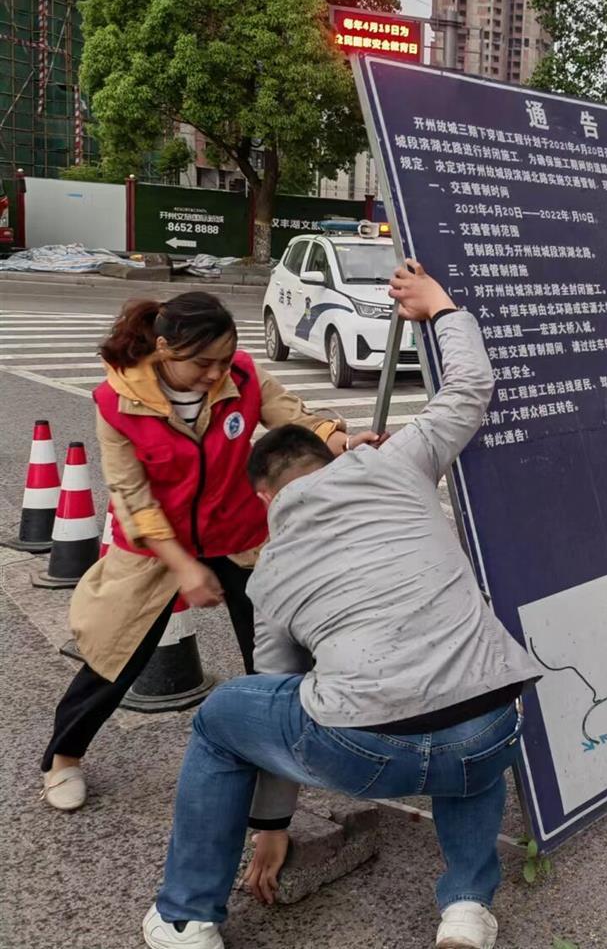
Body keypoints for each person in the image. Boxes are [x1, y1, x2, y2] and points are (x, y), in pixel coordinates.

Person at [141, 261, 541, 949]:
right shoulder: (399, 459)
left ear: (266, 498)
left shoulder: (269, 575)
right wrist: (440, 307)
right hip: (493, 726)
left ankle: (186, 916)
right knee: (469, 719)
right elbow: (472, 385)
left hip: (364, 749)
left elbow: (273, 695)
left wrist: (273, 827)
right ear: (329, 460)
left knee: (221, 716)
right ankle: (467, 908)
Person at [40, 292, 357, 812]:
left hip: (240, 535)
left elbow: (296, 421)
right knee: (116, 654)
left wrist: (340, 441)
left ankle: (294, 758)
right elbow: (132, 496)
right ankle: (63, 759)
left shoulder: (243, 375)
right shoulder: (116, 402)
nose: (216, 375)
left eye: (225, 361)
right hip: (157, 545)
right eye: (203, 363)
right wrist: (185, 567)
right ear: (164, 348)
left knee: (277, 653)